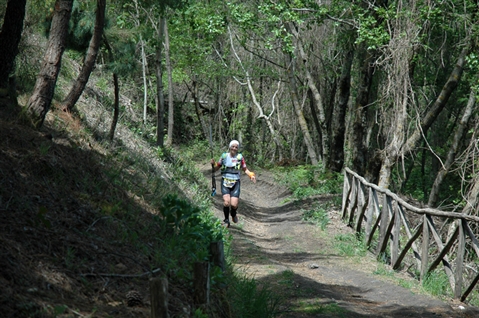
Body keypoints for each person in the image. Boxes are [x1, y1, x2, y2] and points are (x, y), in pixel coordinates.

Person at [211, 140, 256, 227]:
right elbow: (216, 168)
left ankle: (233, 213)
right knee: (226, 202)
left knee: (234, 204)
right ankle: (226, 220)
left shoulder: (240, 158)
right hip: (225, 181)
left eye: (236, 147)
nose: (234, 148)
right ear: (230, 147)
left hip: (235, 182)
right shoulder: (224, 156)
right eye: (233, 146)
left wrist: (251, 175)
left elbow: (245, 169)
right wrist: (213, 164)